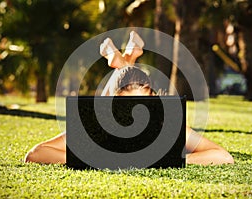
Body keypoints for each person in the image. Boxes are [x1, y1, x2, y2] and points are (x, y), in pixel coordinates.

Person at [24, 32, 234, 166]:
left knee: (124, 78)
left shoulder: (167, 122)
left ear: (154, 99)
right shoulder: (97, 123)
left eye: (144, 105)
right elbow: (35, 154)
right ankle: (127, 58)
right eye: (126, 107)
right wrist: (98, 160)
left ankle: (124, 58)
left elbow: (223, 157)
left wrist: (170, 160)